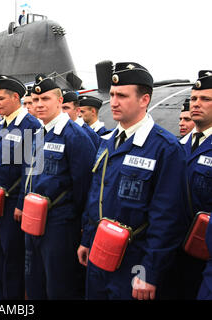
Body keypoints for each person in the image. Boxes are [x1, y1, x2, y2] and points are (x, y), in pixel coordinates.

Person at [77, 62, 190, 300]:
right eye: (112, 95)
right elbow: (96, 195)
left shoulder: (165, 148)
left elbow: (168, 218)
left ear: (144, 99)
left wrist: (150, 271)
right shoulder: (107, 142)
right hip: (100, 250)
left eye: (122, 95)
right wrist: (87, 239)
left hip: (135, 259)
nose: (114, 102)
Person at [23, 74, 96, 299]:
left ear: (58, 100)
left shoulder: (76, 137)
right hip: (34, 218)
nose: (39, 105)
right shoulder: (38, 134)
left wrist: (80, 226)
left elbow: (84, 187)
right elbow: (30, 176)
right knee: (34, 279)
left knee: (59, 285)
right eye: (35, 101)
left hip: (60, 223)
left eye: (45, 99)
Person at [0, 75, 41, 300]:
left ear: (16, 97)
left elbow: (31, 169)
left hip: (11, 203)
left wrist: (21, 203)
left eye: (1, 98)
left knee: (11, 255)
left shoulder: (30, 126)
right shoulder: (1, 125)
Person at [179, 70, 212, 299]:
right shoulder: (175, 146)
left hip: (205, 251)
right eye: (193, 99)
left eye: (205, 99)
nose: (196, 104)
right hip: (173, 247)